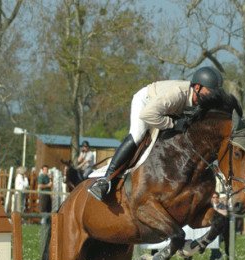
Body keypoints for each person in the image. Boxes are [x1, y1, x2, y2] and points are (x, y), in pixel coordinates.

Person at [88, 65, 224, 201]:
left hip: (167, 110)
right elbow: (147, 114)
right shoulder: (177, 94)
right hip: (147, 103)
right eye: (211, 91)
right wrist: (173, 124)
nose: (213, 96)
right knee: (138, 134)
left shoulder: (202, 101)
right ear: (197, 87)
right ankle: (105, 180)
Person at [208, 192, 228, 260]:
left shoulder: (221, 205)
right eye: (213, 197)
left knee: (215, 242)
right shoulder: (209, 206)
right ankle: (213, 258)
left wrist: (215, 209)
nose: (215, 199)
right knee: (210, 242)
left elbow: (225, 213)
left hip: (220, 228)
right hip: (210, 227)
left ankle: (216, 257)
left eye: (216, 197)